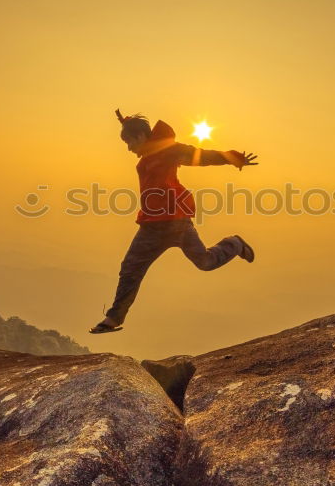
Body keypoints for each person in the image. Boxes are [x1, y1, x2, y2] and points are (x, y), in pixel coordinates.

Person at [89, 109, 258, 334]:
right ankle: (114, 318)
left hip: (176, 223)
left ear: (140, 137)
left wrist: (231, 157)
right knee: (130, 268)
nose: (129, 148)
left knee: (205, 262)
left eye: (129, 142)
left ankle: (234, 243)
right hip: (151, 225)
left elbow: (201, 155)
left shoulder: (168, 151)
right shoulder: (149, 155)